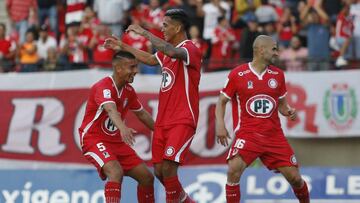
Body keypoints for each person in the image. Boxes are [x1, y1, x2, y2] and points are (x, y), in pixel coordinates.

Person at [104, 8, 201, 203]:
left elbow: (171, 51)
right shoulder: (166, 52)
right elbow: (149, 59)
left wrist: (146, 33)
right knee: (158, 172)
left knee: (168, 168)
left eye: (165, 25)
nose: (162, 28)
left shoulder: (189, 48)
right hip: (163, 120)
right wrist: (123, 46)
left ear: (178, 27)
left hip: (182, 118)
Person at [215, 35, 310, 203]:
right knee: (233, 169)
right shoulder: (238, 74)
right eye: (274, 49)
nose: (277, 53)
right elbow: (221, 101)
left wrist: (288, 111)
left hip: (274, 136)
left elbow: (282, 105)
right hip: (248, 133)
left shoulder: (278, 75)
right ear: (261, 50)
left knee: (295, 178)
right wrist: (220, 125)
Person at [78, 51, 155, 203]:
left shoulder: (129, 91)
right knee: (115, 171)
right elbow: (110, 109)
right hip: (93, 139)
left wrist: (162, 134)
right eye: (132, 67)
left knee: (146, 177)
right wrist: (122, 128)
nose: (136, 71)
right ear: (118, 68)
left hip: (116, 143)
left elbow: (142, 115)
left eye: (136, 67)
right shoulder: (103, 87)